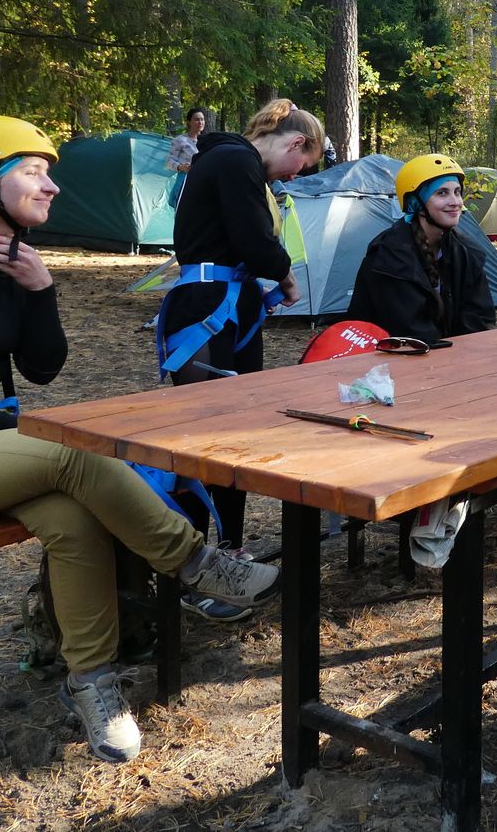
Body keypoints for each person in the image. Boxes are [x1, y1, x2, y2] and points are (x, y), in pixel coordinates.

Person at [0, 115, 280, 763]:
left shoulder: (12, 263)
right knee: (77, 449)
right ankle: (194, 564)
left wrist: (40, 290)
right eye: (34, 170)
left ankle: (92, 684)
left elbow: (43, 366)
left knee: (75, 521)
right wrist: (24, 431)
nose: (53, 187)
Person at [155, 98, 322, 614]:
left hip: (230, 305)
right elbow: (252, 235)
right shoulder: (234, 161)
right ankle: (194, 565)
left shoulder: (231, 161)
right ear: (295, 144)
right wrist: (285, 274)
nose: (295, 177)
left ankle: (227, 551)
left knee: (236, 438)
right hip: (206, 307)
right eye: (303, 164)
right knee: (204, 439)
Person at [345, 153, 496, 344]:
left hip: (450, 358)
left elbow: (479, 319)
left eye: (457, 192)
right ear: (416, 203)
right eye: (442, 193)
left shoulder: (465, 252)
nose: (455, 201)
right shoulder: (390, 256)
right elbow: (410, 332)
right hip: (388, 360)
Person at [165, 107, 205, 207]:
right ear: (189, 122)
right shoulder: (180, 140)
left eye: (202, 119)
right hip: (185, 180)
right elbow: (169, 162)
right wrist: (181, 167)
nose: (200, 122)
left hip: (203, 181)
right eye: (196, 119)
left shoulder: (207, 141)